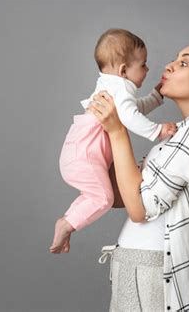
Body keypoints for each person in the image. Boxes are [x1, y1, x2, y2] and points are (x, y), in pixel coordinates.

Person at [70, 40, 189, 311]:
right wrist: (103, 134)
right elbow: (123, 196)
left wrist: (117, 132)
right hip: (138, 265)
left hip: (154, 270)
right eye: (175, 59)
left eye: (184, 63)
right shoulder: (179, 133)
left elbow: (139, 209)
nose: (169, 65)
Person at [49, 28, 177, 253]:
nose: (147, 69)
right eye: (144, 64)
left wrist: (155, 98)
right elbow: (129, 117)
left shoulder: (113, 87)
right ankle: (67, 224)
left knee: (95, 196)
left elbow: (132, 110)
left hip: (79, 152)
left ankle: (68, 221)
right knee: (103, 199)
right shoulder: (120, 90)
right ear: (124, 70)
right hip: (85, 155)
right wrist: (158, 130)